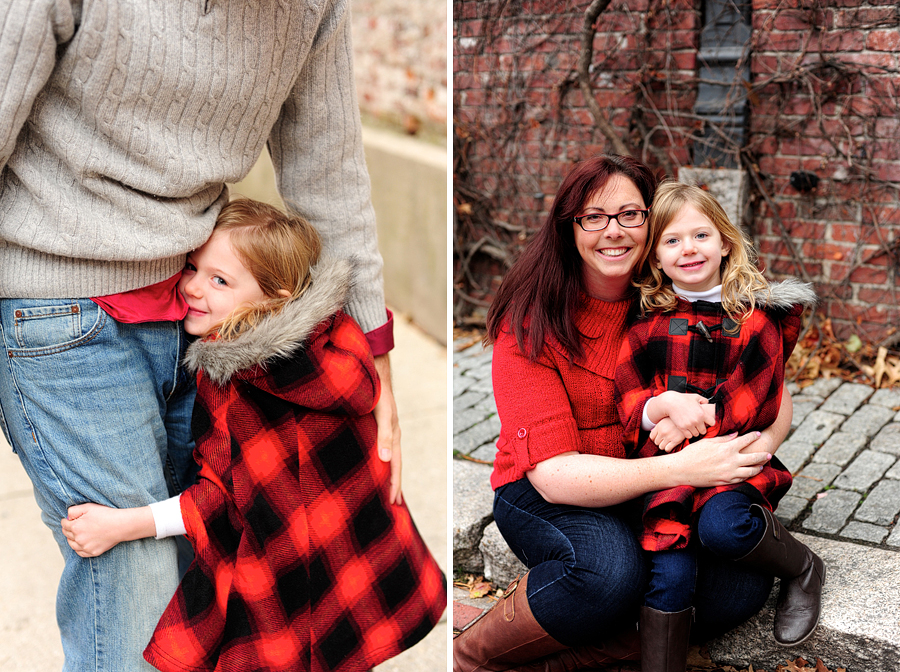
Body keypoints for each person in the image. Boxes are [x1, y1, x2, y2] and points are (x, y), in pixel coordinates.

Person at [0, 3, 405, 670]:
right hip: (57, 304)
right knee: (133, 585)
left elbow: (328, 170)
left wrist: (373, 354)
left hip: (197, 317)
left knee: (205, 567)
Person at [60, 199, 446, 672]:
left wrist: (122, 525)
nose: (193, 287)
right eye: (192, 267)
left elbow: (222, 498)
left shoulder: (240, 383)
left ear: (273, 299)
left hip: (289, 583)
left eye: (220, 280)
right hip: (351, 565)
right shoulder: (338, 336)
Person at [453, 155, 793, 672]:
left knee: (739, 584)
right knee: (609, 571)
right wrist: (686, 467)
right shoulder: (531, 322)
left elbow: (774, 392)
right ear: (570, 228)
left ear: (651, 226)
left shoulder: (672, 296)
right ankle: (472, 656)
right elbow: (555, 476)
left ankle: (560, 663)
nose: (613, 232)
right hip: (551, 491)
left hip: (660, 484)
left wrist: (750, 452)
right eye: (594, 217)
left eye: (630, 215)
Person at [614, 181, 823, 670]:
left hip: (731, 462)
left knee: (724, 528)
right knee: (669, 572)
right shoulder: (646, 323)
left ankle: (804, 566)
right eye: (671, 240)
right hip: (666, 475)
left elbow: (754, 400)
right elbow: (627, 398)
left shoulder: (755, 320)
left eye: (700, 235)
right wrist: (656, 409)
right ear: (655, 259)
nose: (688, 249)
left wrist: (685, 422)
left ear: (725, 241)